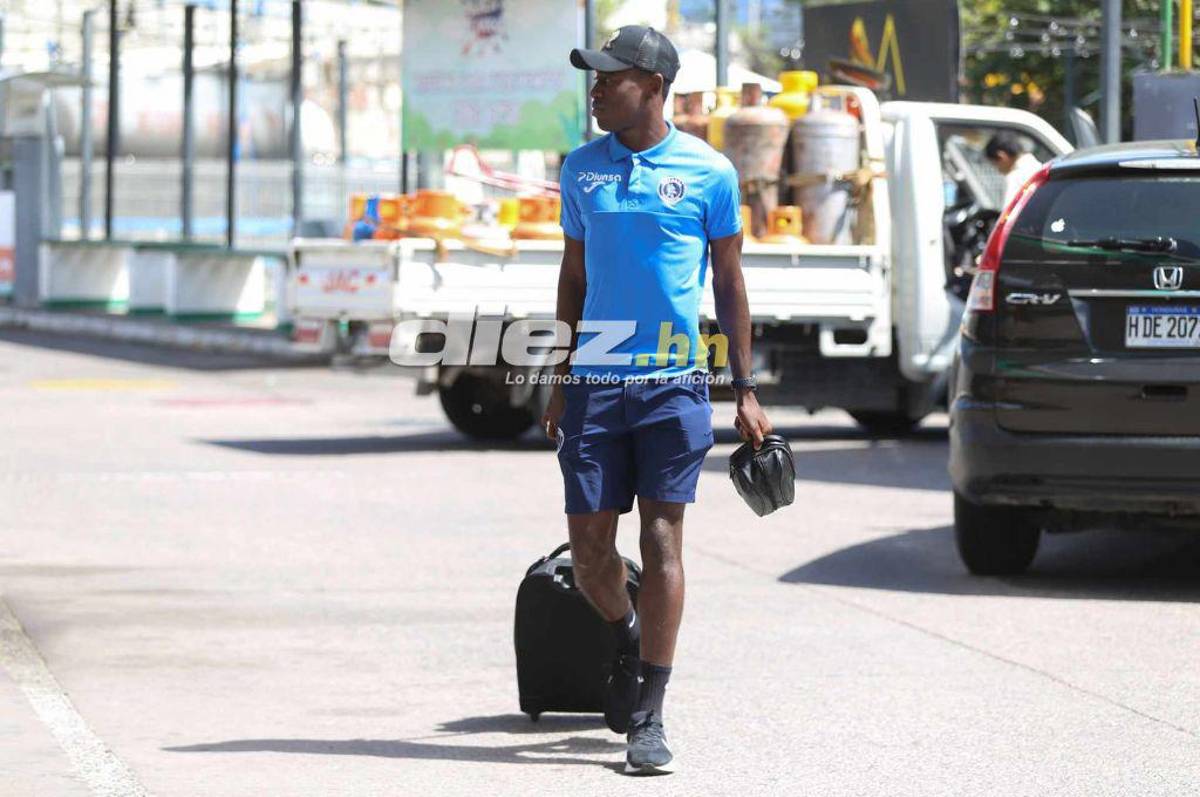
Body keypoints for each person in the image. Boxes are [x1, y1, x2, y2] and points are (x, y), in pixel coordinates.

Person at [542, 25, 773, 775]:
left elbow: (730, 284)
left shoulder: (709, 173)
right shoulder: (581, 171)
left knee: (662, 540)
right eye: (596, 77)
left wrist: (745, 388)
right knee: (587, 553)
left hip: (675, 381)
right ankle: (627, 634)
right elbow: (572, 279)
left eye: (611, 77)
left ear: (653, 84)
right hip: (596, 383)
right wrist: (556, 373)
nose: (597, 88)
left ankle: (649, 712)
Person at [985, 131, 1042, 207]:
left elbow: (1008, 214)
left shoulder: (1015, 178)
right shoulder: (1039, 167)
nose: (998, 170)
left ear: (1002, 157)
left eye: (995, 164)